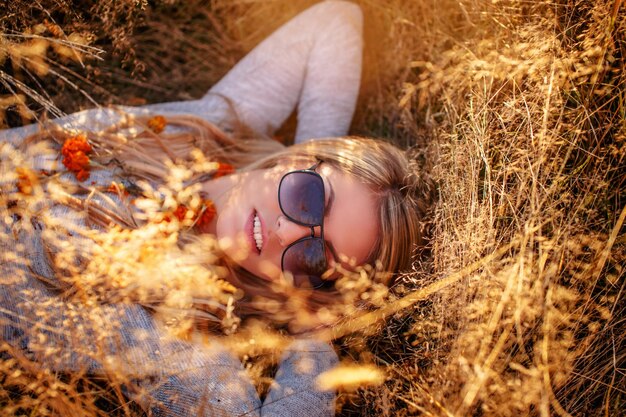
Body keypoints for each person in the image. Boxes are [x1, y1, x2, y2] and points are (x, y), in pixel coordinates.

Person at [0, 1, 424, 416]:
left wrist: (312, 338)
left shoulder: (182, 330)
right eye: (308, 200)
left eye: (315, 257)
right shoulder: (218, 127)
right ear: (297, 158)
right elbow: (334, 21)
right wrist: (311, 154)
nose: (286, 233)